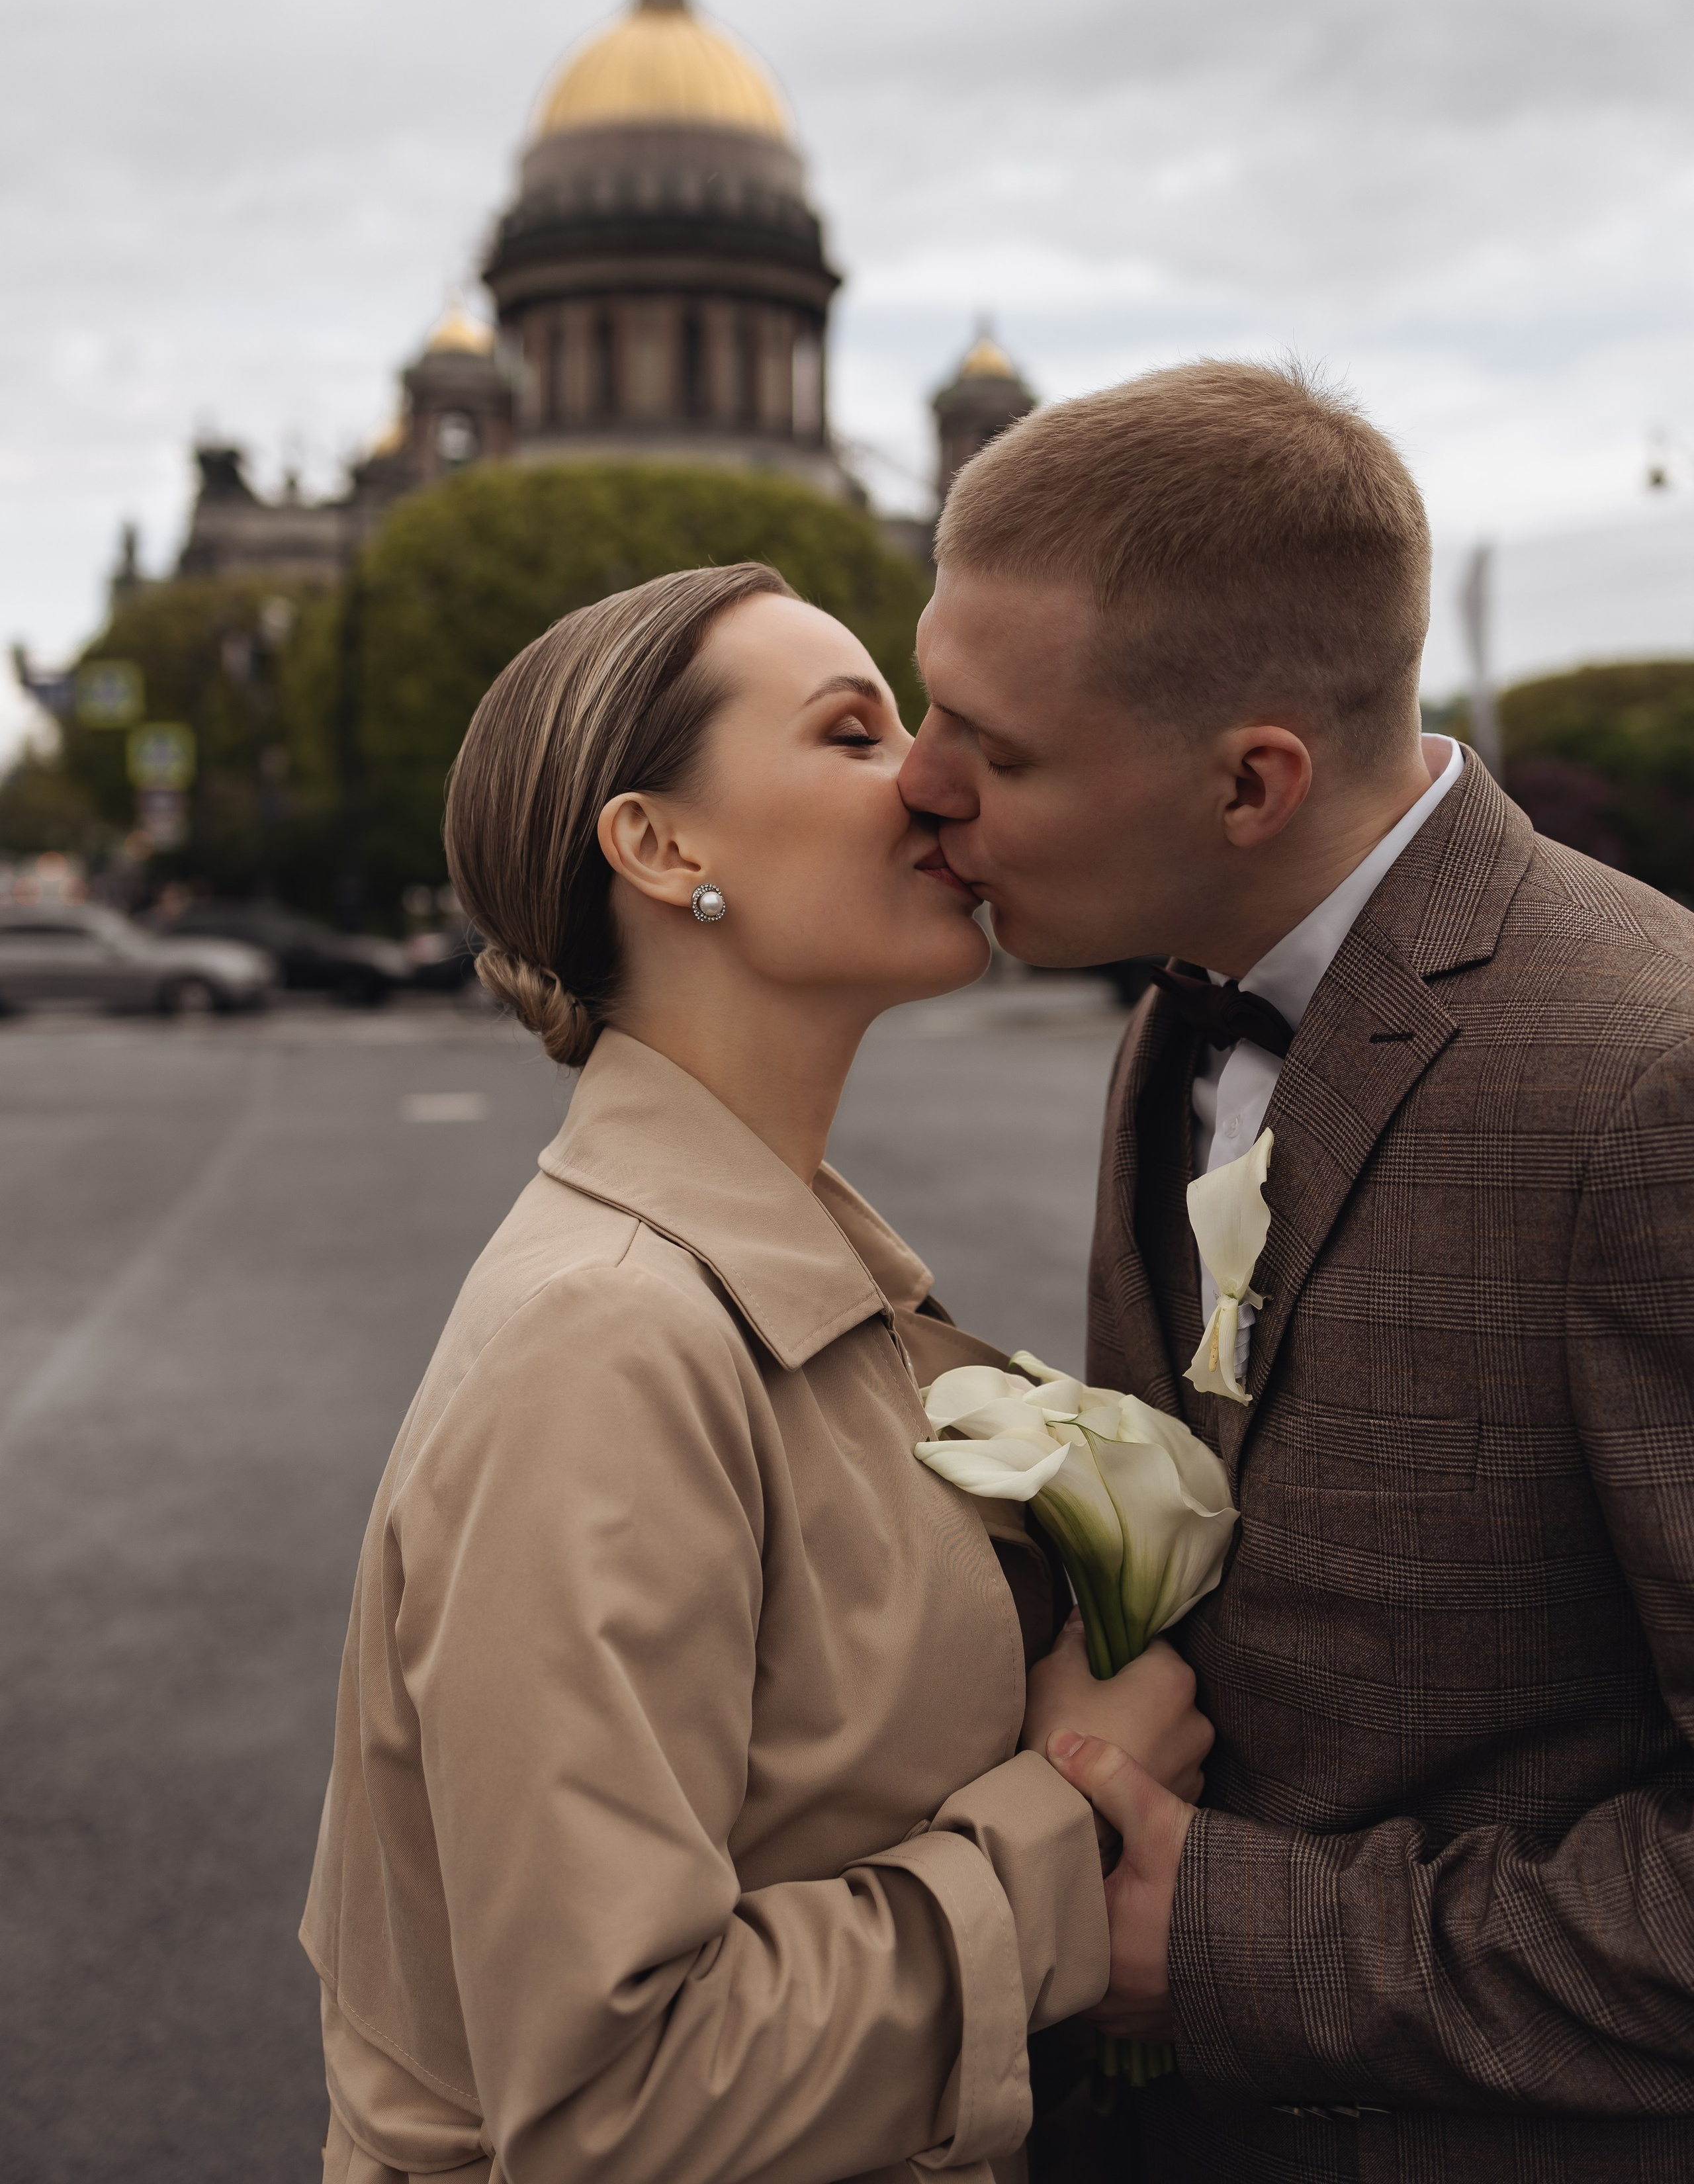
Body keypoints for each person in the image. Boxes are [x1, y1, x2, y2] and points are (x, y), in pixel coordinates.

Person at [301, 559, 1211, 2184]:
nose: (934, 778)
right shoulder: (610, 1342)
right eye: (854, 733)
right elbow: (616, 2104)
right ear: (662, 848)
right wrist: (1072, 1815)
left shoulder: (763, 1279)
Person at [899, 359, 1694, 2180]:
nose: (917, 788)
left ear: (1252, 782)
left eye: (998, 753)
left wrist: (1236, 1950)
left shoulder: (1649, 1082)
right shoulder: (1177, 1002)